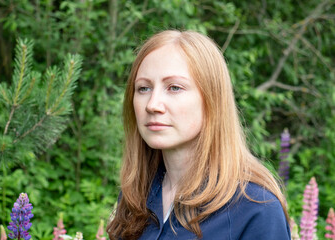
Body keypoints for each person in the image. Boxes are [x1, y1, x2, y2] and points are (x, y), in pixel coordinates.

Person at [106, 30, 291, 240]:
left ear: (212, 99)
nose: (153, 104)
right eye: (143, 88)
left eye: (174, 87)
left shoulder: (255, 209)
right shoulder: (136, 198)